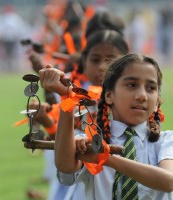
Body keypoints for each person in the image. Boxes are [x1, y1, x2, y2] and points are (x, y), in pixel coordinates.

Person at [39, 53, 173, 199]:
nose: (142, 95)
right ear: (109, 96)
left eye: (151, 88)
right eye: (132, 85)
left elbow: (168, 181)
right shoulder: (91, 141)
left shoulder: (168, 141)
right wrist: (67, 98)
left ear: (157, 101)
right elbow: (65, 166)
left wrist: (105, 158)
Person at [30, 29, 129, 200]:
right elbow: (66, 162)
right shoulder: (70, 89)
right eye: (95, 59)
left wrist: (104, 157)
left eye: (110, 60)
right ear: (83, 62)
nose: (102, 67)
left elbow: (166, 179)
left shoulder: (132, 108)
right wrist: (49, 119)